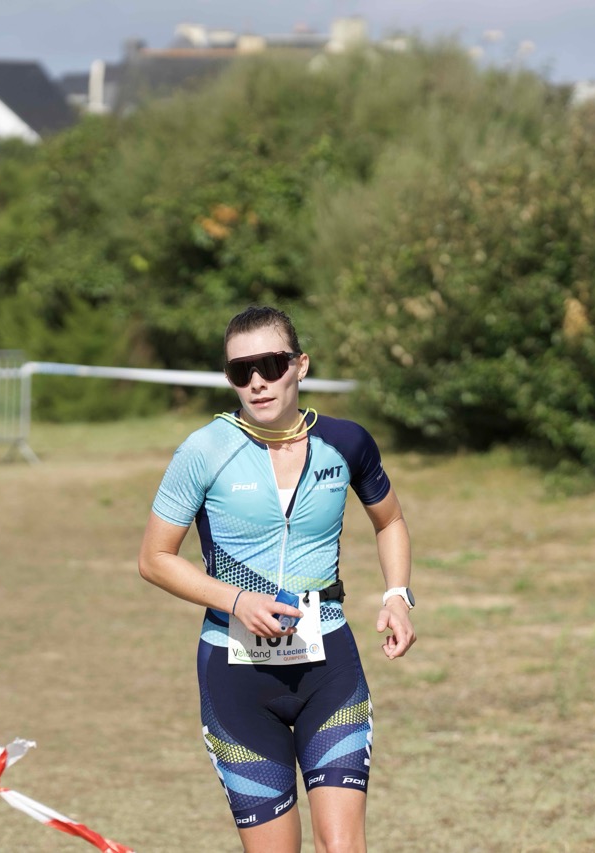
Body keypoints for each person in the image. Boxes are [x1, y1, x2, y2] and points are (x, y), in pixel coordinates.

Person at [138, 306, 416, 852]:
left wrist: (397, 596)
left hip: (328, 667)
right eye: (240, 371)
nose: (257, 382)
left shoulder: (347, 442)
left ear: (300, 365)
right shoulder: (204, 451)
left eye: (270, 364)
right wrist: (236, 600)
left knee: (344, 847)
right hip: (236, 675)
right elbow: (154, 558)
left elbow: (391, 521)